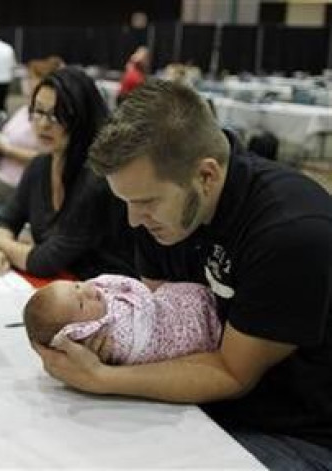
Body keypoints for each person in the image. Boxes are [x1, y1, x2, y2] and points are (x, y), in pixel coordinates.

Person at [34, 79, 332, 469]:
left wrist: (101, 378)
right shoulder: (162, 214)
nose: (133, 220)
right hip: (214, 404)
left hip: (293, 432)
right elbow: (166, 326)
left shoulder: (291, 231)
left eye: (145, 202)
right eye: (125, 202)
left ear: (206, 176)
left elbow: (231, 373)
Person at [0, 66, 135, 280]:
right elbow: (9, 220)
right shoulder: (40, 165)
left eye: (57, 116)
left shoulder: (97, 178)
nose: (44, 125)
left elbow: (44, 262)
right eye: (38, 112)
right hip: (61, 283)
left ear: (81, 118)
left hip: (101, 293)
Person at [24, 275, 220, 365]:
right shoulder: (108, 340)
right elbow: (143, 340)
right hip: (178, 335)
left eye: (76, 286)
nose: (88, 291)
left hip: (171, 304)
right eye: (82, 304)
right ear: (77, 331)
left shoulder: (100, 293)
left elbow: (134, 287)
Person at [0, 56, 63, 208]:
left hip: (17, 181)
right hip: (0, 171)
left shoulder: (49, 120)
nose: (26, 83)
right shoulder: (24, 109)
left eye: (31, 78)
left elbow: (46, 158)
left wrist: (5, 149)